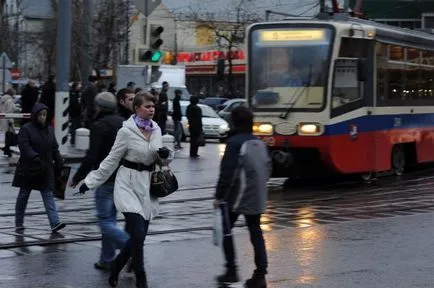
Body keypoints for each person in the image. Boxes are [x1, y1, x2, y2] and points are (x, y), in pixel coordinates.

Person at [82, 92, 169, 288]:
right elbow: (112, 159)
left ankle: (116, 266)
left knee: (139, 237)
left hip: (147, 185)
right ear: (137, 108)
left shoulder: (156, 130)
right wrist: (90, 181)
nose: (151, 109)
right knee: (137, 234)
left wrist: (165, 155)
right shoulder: (126, 131)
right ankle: (141, 278)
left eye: (153, 106)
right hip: (127, 183)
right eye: (147, 106)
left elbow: (161, 159)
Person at [69, 92, 129, 270]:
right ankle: (107, 259)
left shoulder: (99, 126)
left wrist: (78, 177)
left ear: (100, 107)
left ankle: (129, 246)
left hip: (106, 179)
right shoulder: (124, 123)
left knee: (104, 221)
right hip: (124, 179)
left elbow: (91, 157)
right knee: (111, 220)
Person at [214, 106, 271, 288]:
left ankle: (231, 271)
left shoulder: (235, 143)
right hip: (257, 194)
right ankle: (260, 274)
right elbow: (268, 168)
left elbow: (227, 173)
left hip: (237, 195)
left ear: (234, 122)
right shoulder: (260, 143)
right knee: (256, 232)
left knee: (226, 230)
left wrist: (219, 196)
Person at [12, 103, 66, 233]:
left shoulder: (49, 130)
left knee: (48, 194)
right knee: (23, 195)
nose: (42, 117)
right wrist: (34, 157)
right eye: (40, 115)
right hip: (30, 168)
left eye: (44, 115)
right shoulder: (26, 129)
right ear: (35, 115)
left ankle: (55, 222)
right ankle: (19, 222)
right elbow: (24, 146)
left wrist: (59, 161)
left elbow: (54, 148)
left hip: (46, 169)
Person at [1, 88, 16, 157]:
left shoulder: (2, 100)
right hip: (8, 119)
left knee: (7, 134)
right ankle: (7, 149)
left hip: (3, 119)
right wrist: (10, 121)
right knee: (10, 135)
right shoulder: (9, 100)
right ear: (11, 94)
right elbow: (9, 111)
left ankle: (6, 148)